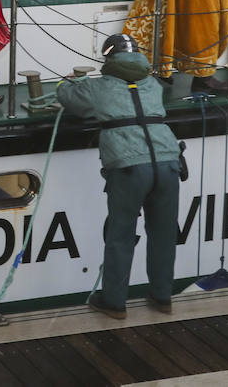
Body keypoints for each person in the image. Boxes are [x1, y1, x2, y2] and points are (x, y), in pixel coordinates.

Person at [57, 34, 180, 319]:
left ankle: (114, 302)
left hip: (128, 166)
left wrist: (66, 81)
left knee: (121, 234)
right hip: (168, 161)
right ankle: (162, 297)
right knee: (163, 233)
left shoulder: (98, 87)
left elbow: (67, 97)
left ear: (108, 58)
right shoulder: (153, 84)